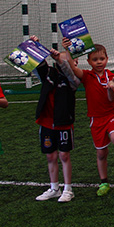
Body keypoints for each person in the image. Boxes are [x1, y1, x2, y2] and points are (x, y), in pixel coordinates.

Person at [61, 40, 114, 196]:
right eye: (95, 59)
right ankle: (104, 182)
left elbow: (111, 98)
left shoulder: (111, 76)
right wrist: (67, 50)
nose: (99, 62)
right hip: (96, 119)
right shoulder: (87, 76)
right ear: (89, 61)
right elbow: (72, 67)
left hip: (111, 114)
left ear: (107, 59)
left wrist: (110, 88)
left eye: (102, 59)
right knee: (101, 153)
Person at [32, 37, 78, 202]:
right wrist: (35, 45)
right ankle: (54, 188)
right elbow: (38, 64)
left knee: (64, 155)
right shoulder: (49, 74)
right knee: (50, 156)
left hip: (63, 122)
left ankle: (68, 189)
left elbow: (69, 72)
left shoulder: (72, 80)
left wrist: (61, 59)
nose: (64, 62)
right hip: (46, 122)